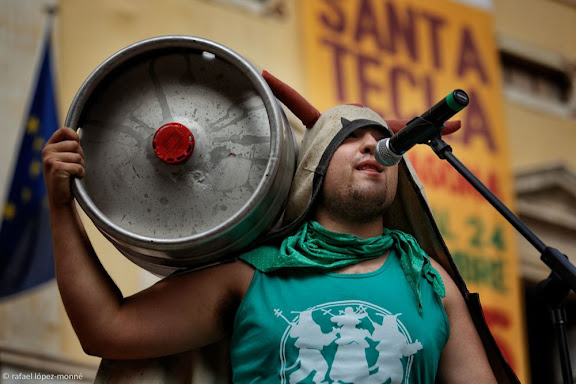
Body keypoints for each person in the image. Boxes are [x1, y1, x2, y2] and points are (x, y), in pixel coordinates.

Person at [42, 71, 514, 383]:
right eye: (352, 138)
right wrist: (62, 208)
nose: (374, 147)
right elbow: (107, 330)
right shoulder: (250, 277)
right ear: (313, 167)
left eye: (383, 140)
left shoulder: (430, 281)